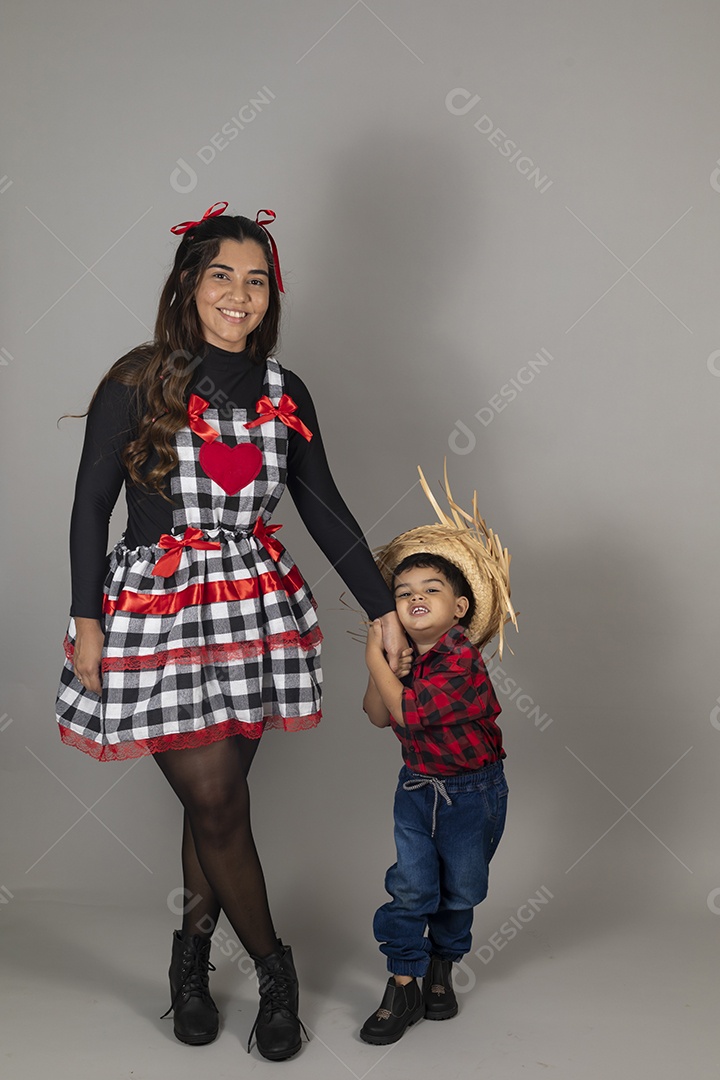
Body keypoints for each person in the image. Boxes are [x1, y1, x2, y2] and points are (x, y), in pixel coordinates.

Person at [55, 202, 406, 1062]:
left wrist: (385, 606)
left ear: (270, 295)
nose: (238, 295)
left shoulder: (289, 393)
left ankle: (187, 965)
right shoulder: (136, 381)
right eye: (221, 276)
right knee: (214, 801)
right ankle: (276, 975)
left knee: (220, 806)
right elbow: (90, 506)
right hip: (158, 612)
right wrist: (85, 619)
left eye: (256, 280)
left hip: (255, 615)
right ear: (188, 283)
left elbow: (326, 512)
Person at [359, 467, 517, 1045]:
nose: (415, 597)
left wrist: (376, 651)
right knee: (410, 886)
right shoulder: (406, 660)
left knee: (462, 889)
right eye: (402, 593)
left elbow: (406, 713)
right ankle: (403, 980)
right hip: (417, 788)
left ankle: (442, 965)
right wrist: (388, 661)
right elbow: (378, 712)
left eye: (430, 589)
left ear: (460, 606)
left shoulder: (461, 660)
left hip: (473, 794)